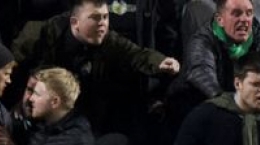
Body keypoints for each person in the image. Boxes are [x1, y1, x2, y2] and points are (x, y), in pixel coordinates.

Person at [11, 0, 180, 135]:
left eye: (105, 17)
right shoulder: (44, 34)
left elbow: (134, 54)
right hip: (41, 107)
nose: (102, 24)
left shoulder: (108, 38)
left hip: (85, 111)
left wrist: (160, 62)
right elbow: (12, 66)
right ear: (75, 22)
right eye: (95, 18)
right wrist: (20, 98)